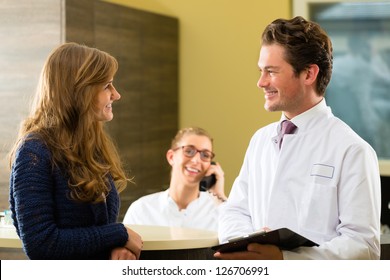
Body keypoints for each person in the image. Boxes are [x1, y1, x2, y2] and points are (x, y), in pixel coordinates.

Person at [215, 16, 381, 260]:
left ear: (308, 74)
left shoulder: (353, 150)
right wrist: (250, 247)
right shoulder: (260, 140)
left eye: (271, 72)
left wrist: (285, 260)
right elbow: (235, 211)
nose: (260, 82)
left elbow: (363, 247)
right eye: (261, 71)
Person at [8, 42, 143, 260]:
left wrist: (114, 248)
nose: (116, 95)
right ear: (80, 91)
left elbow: (95, 229)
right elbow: (41, 245)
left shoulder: (90, 145)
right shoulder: (34, 151)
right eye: (107, 86)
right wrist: (119, 234)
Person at [123, 127, 227, 232]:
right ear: (171, 157)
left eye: (205, 155)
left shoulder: (220, 210)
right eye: (189, 151)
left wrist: (219, 196)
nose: (196, 160)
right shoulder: (141, 210)